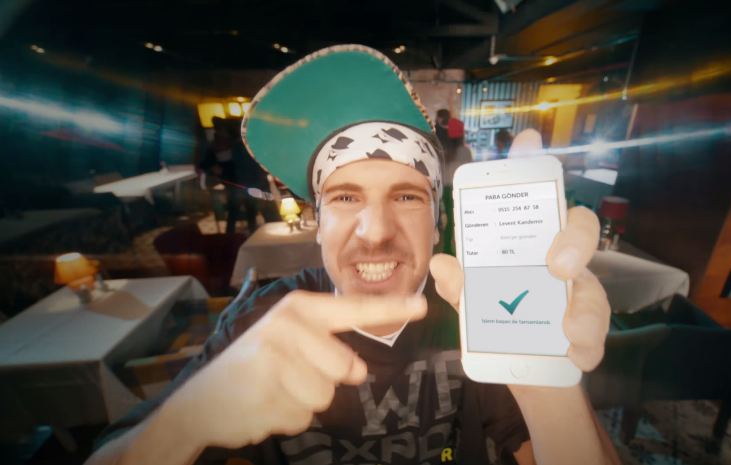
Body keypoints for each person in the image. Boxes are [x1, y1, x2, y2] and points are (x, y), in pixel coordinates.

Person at [86, 45, 618, 465]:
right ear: (317, 225)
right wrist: (187, 421)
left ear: (438, 225)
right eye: (345, 198)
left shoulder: (480, 316)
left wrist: (548, 383)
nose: (376, 230)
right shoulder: (260, 323)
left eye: (407, 197)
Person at [440, 117, 473, 256]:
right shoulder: (465, 151)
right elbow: (469, 173)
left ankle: (447, 248)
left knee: (449, 220)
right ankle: (462, 249)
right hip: (460, 190)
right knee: (461, 220)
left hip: (446, 189)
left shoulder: (444, 152)